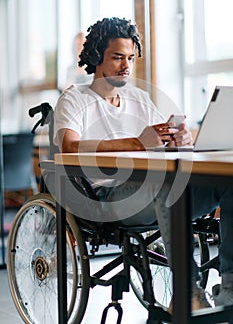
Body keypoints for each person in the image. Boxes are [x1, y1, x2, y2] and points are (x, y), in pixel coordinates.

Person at [53, 17, 233, 311]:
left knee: (227, 184)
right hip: (106, 198)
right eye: (118, 57)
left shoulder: (138, 98)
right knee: (164, 187)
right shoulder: (74, 98)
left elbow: (156, 139)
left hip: (151, 191)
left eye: (131, 58)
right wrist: (137, 142)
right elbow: (69, 146)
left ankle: (229, 286)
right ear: (97, 56)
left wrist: (177, 141)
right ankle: (188, 291)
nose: (126, 65)